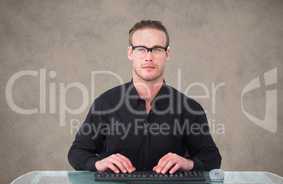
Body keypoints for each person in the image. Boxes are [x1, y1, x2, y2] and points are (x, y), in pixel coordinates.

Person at [68, 20, 221, 174]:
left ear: (167, 54)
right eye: (141, 49)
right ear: (130, 53)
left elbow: (212, 158)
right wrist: (97, 164)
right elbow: (77, 152)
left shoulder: (189, 108)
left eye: (156, 49)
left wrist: (188, 164)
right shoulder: (105, 103)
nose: (149, 57)